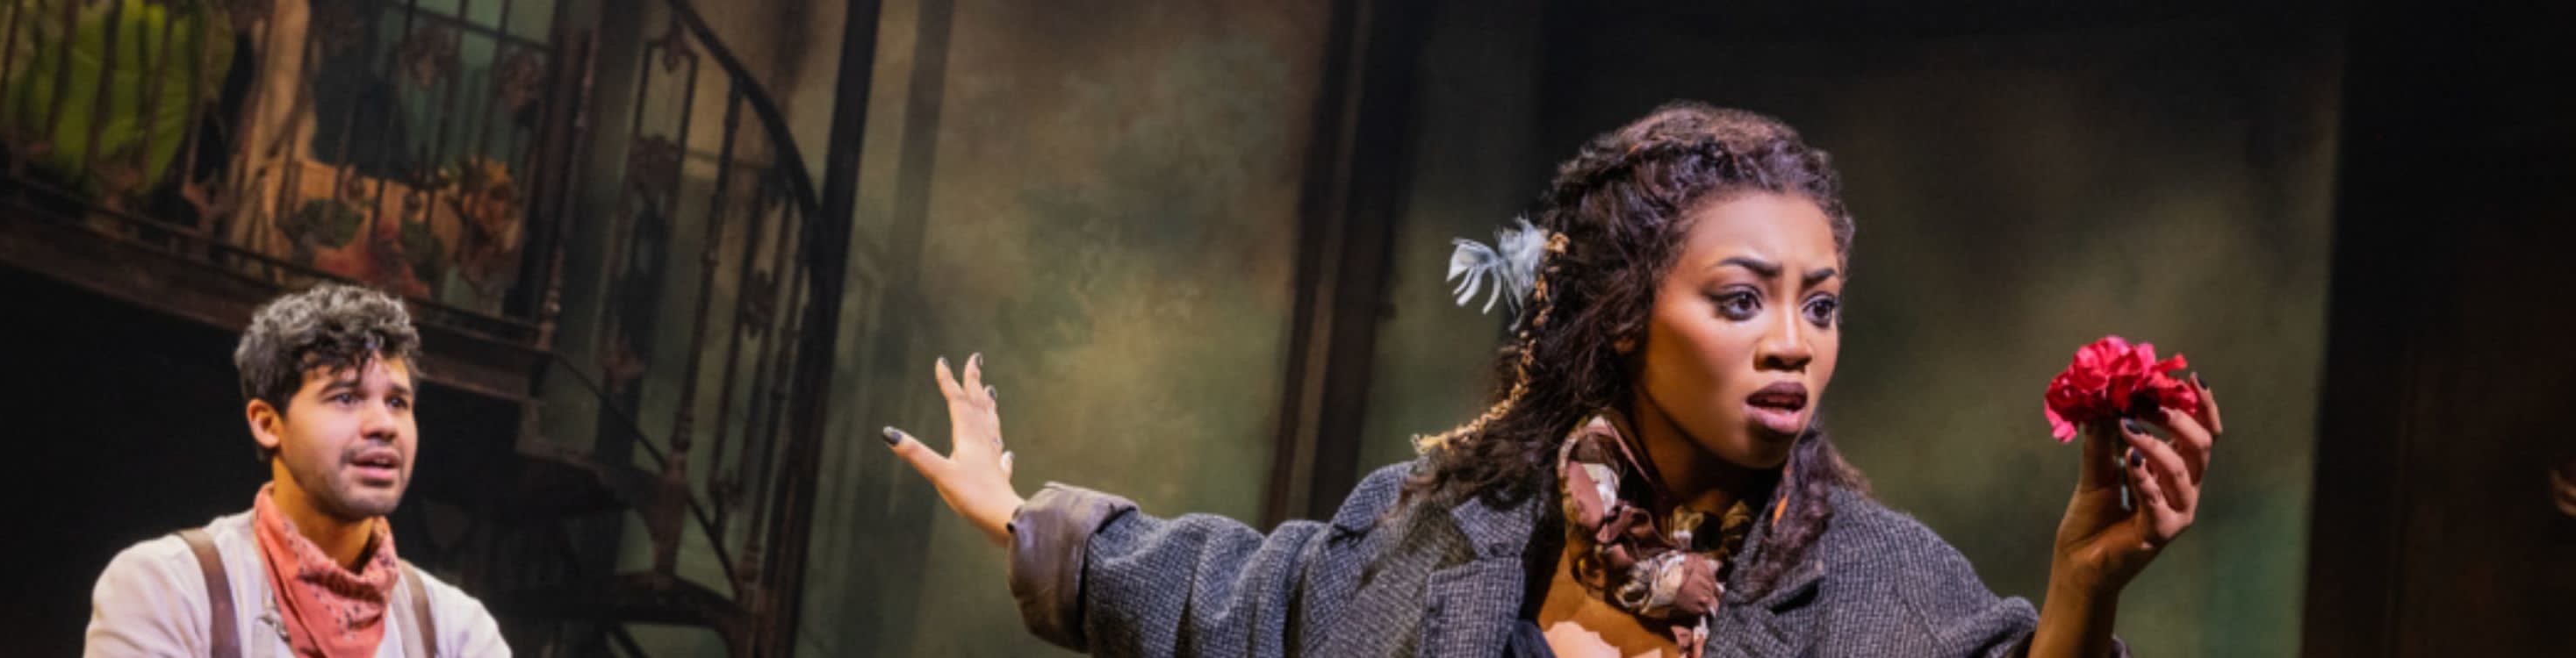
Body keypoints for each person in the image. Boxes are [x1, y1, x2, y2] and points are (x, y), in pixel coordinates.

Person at [884, 102, 2224, 657]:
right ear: (1630, 316)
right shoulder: (1447, 526)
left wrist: (2081, 593)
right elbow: (1243, 597)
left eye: (1819, 304)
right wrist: (1018, 515)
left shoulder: (1880, 580)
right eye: (1741, 298)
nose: (1793, 341)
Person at [84, 283, 509, 657]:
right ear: (267, 423)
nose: (384, 424)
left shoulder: (456, 629)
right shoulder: (170, 588)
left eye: (397, 402)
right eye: (346, 397)